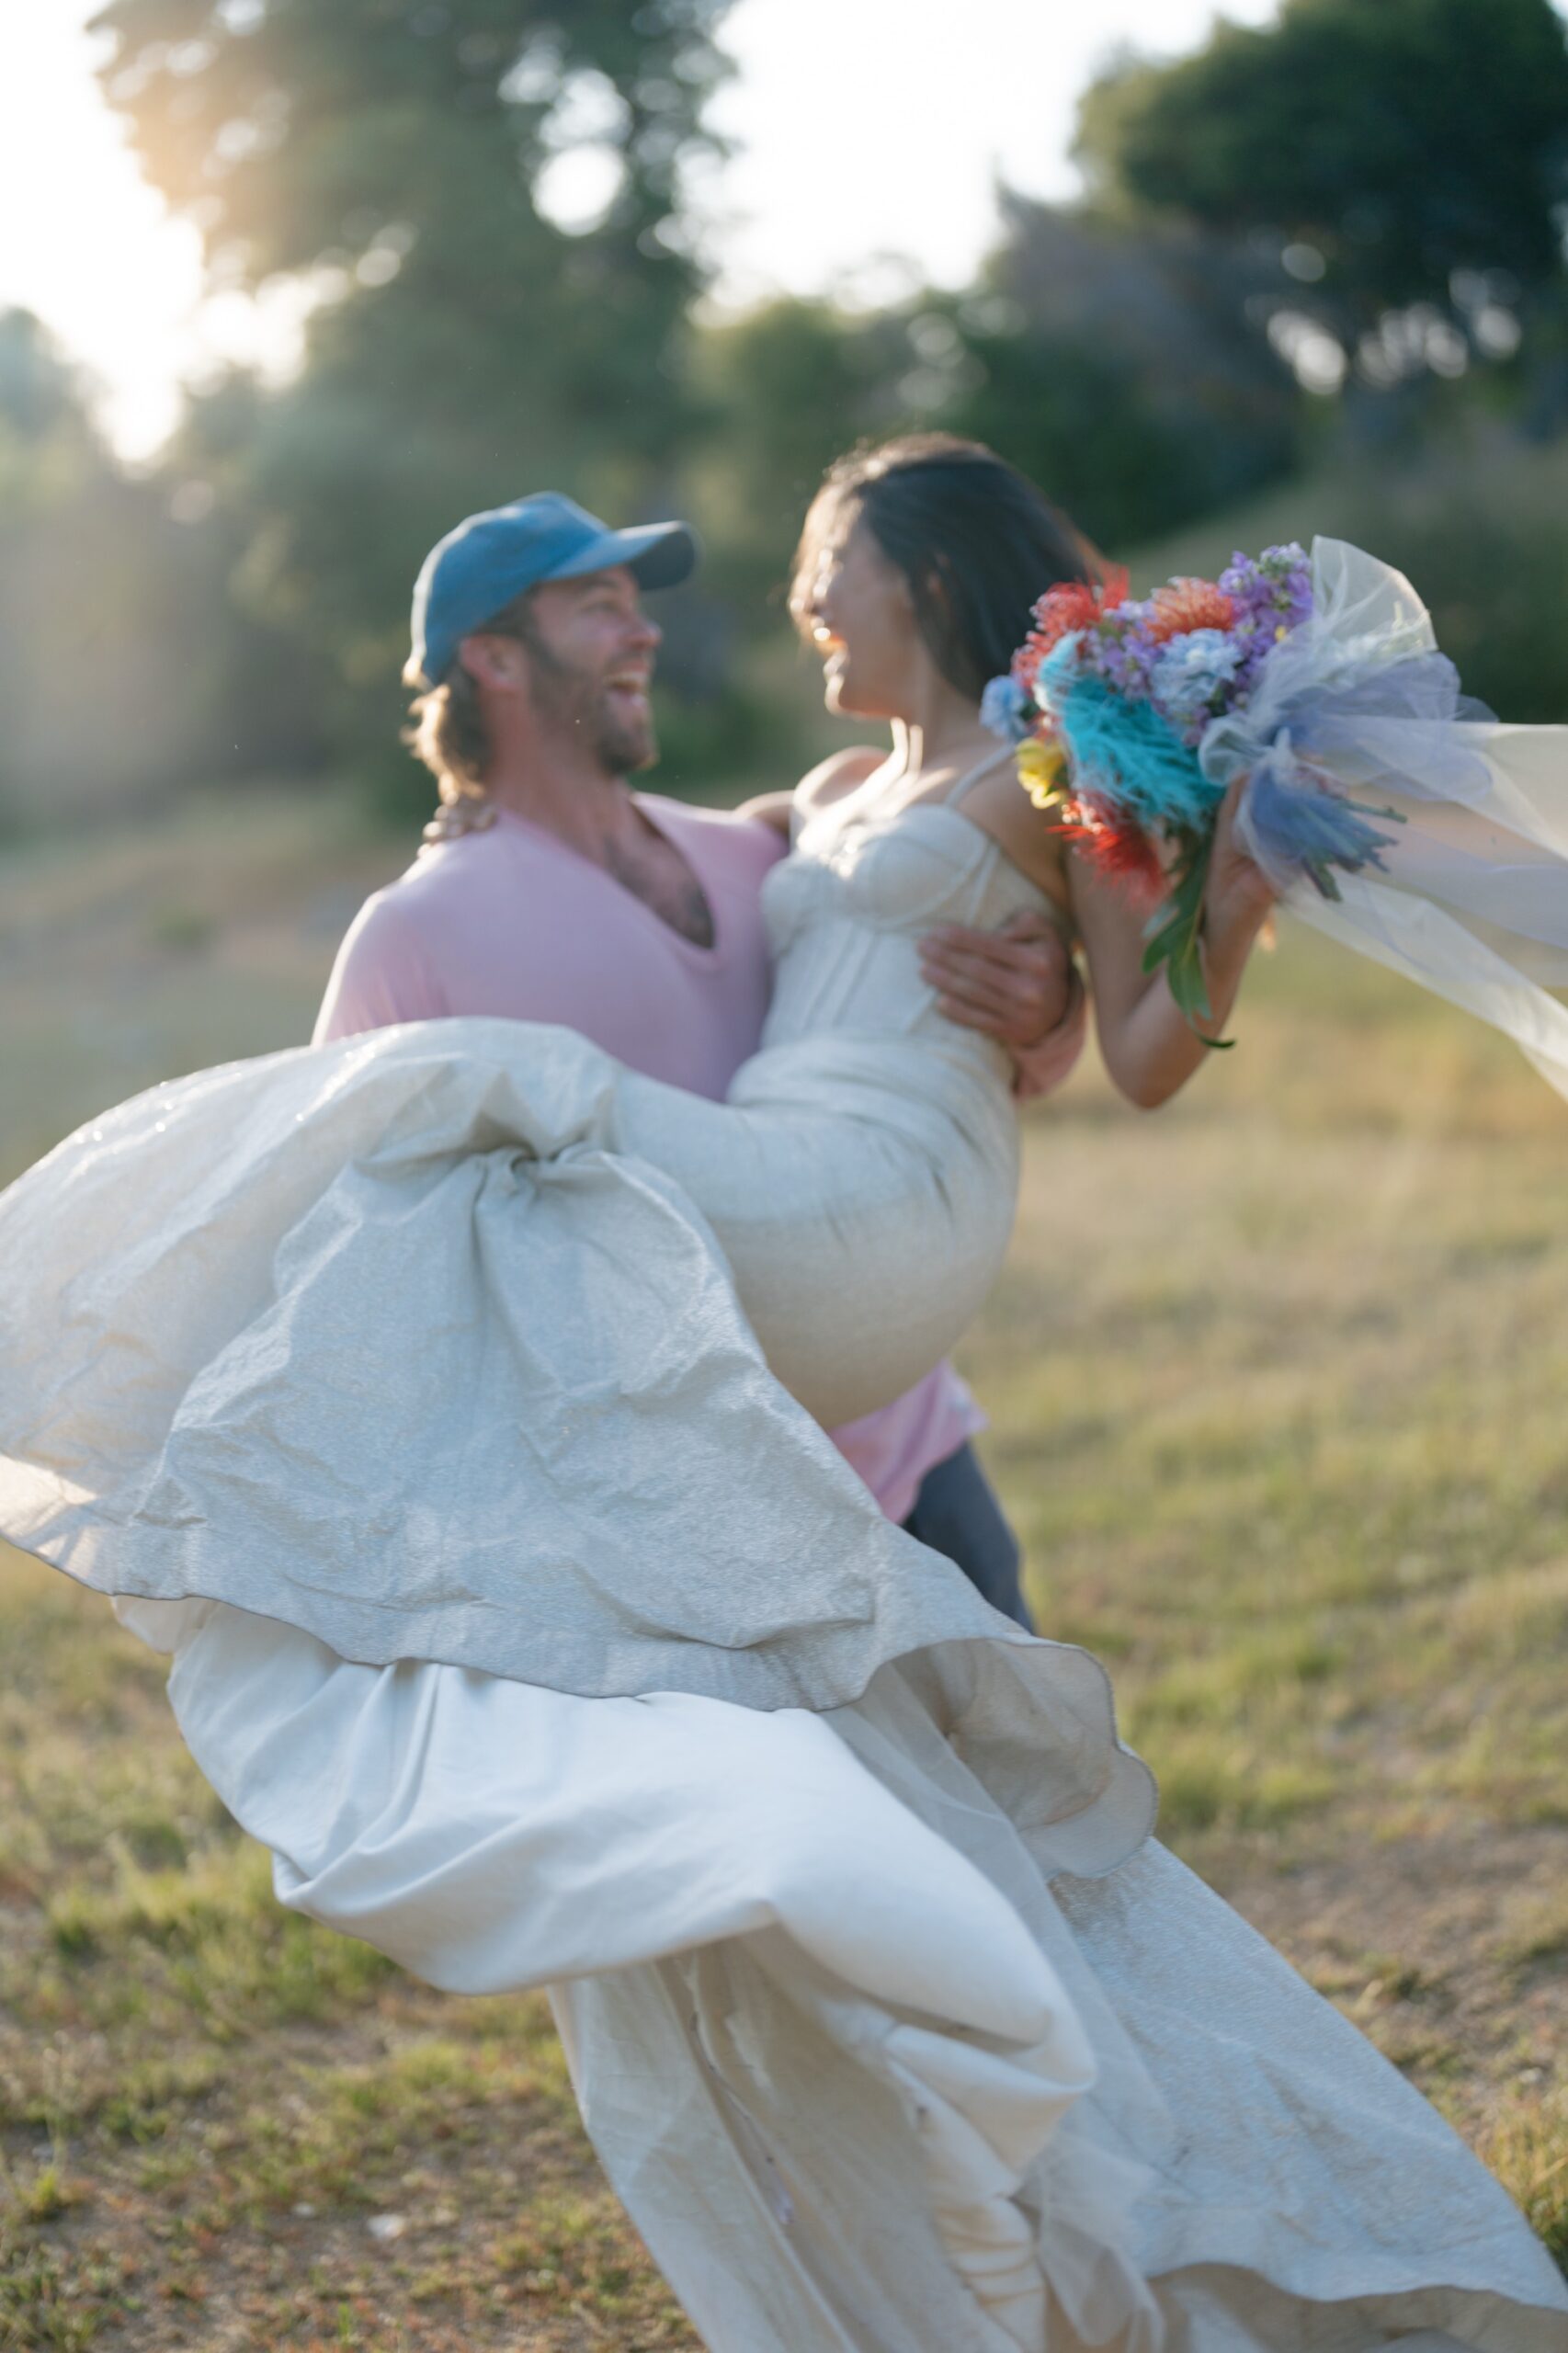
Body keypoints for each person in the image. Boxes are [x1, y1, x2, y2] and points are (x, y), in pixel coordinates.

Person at [3, 438, 1564, 2351]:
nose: (716, 611)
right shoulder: (566, 879)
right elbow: (863, 933)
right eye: (598, 601)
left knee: (1028, 1823)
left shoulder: (791, 832)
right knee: (458, 1128)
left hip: (867, 1340)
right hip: (719, 1444)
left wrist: (1090, 989)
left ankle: (1142, 2176)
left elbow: (1060, 1008)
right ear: (497, 662)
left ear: (919, 575)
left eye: (821, 567)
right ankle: (262, 1485)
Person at [312, 487, 1089, 1631]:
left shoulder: (763, 855)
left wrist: (1048, 1007)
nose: (645, 633)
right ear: (495, 660)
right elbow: (353, 1244)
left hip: (905, 1453)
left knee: (1030, 1799)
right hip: (685, 1544)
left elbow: (944, 1056)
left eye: (637, 605)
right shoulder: (414, 938)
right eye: (596, 609)